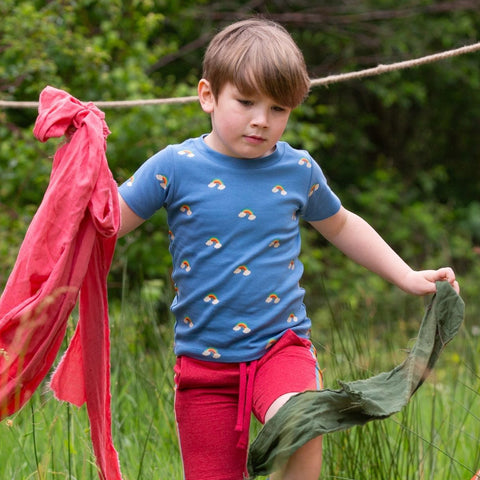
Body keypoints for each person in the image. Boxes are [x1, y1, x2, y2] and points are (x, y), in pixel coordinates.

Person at [117, 18, 459, 480]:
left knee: (299, 420)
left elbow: (341, 225)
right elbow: (107, 220)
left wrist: (404, 274)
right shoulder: (175, 167)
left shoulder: (297, 168)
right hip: (203, 369)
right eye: (246, 102)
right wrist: (80, 162)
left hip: (281, 348)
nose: (262, 119)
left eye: (278, 108)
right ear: (207, 95)